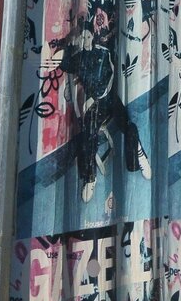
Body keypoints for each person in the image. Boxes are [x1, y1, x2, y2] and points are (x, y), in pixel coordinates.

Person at [57, 20, 151, 202]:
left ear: (92, 36)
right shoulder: (79, 58)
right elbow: (66, 64)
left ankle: (139, 154)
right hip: (95, 107)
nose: (85, 40)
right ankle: (90, 178)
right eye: (82, 37)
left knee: (128, 125)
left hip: (109, 99)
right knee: (88, 135)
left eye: (88, 36)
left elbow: (108, 78)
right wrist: (67, 47)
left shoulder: (103, 53)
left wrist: (94, 97)